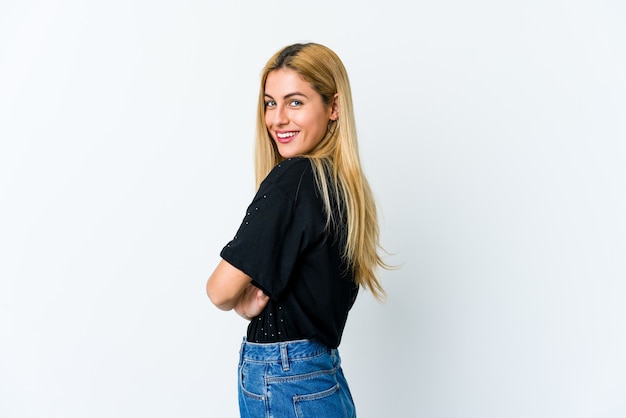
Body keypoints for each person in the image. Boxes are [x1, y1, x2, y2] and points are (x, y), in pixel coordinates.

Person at [206, 42, 390, 418]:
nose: (277, 119)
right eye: (271, 103)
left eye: (295, 102)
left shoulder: (295, 178)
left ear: (333, 107)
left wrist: (239, 301)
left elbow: (219, 290)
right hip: (317, 374)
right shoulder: (338, 185)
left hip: (285, 376)